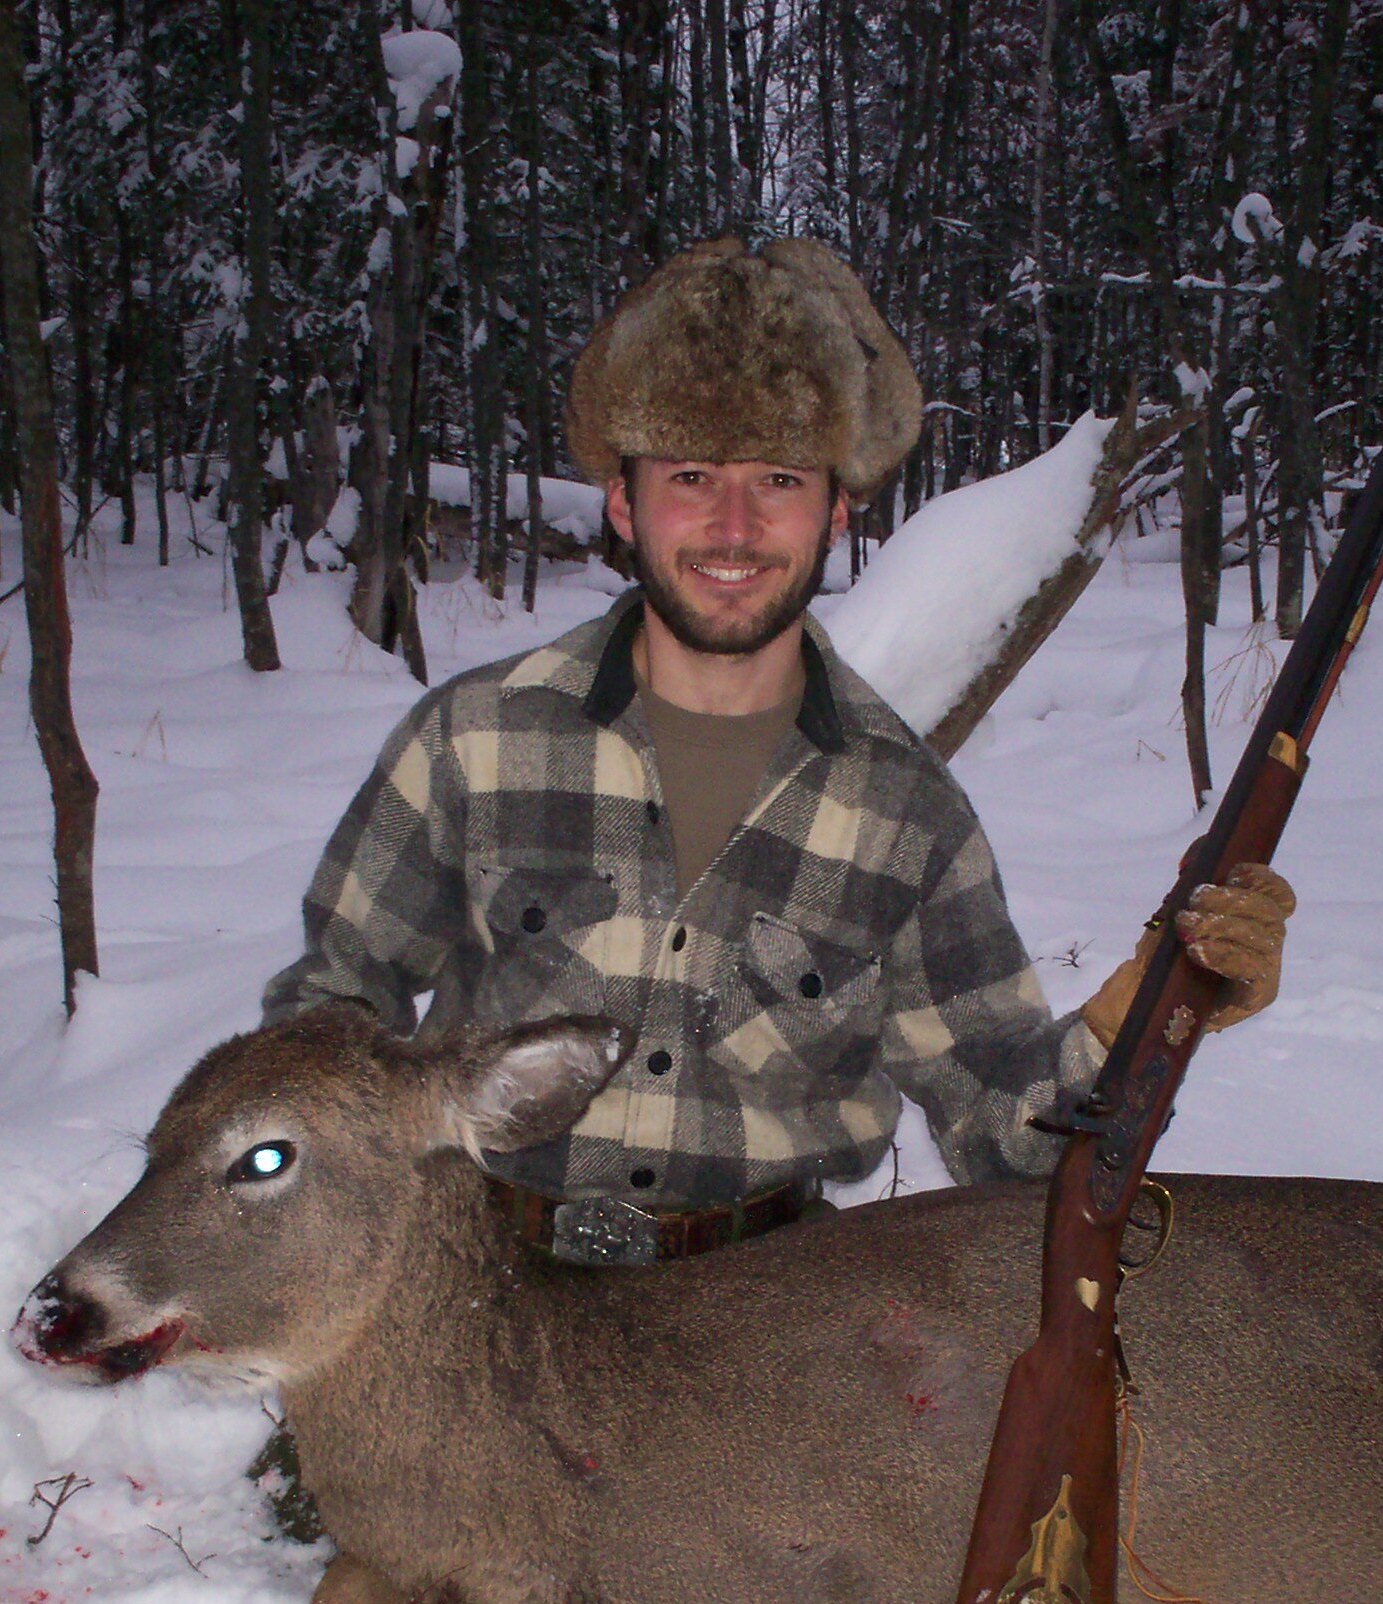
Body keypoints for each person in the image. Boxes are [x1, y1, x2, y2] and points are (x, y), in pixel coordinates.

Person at [264, 236, 1291, 1265]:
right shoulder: (474, 741)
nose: (734, 525)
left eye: (779, 479)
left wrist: (1142, 1014)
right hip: (485, 1289)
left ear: (836, 509)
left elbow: (1001, 1131)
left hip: (768, 1321)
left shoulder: (903, 810)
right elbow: (325, 1020)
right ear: (623, 500)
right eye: (693, 475)